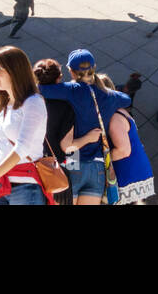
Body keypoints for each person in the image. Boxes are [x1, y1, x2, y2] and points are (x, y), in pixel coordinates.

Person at [37, 49, 133, 205]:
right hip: (98, 167)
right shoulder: (110, 96)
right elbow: (126, 99)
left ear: (71, 71)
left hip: (74, 161)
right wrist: (107, 91)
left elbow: (41, 89)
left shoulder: (71, 90)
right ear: (94, 68)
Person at [0, 45, 52, 205]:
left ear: (15, 69)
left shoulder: (33, 102)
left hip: (26, 185)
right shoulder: (6, 106)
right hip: (2, 185)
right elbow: (2, 149)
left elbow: (22, 147)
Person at [97, 73, 156, 204]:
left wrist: (99, 161)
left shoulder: (114, 117)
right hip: (136, 174)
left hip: (129, 177)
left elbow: (123, 150)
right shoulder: (120, 111)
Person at [32, 58, 74, 206]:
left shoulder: (27, 103)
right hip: (55, 169)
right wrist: (74, 168)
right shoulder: (65, 106)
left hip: (30, 167)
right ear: (59, 78)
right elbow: (68, 146)